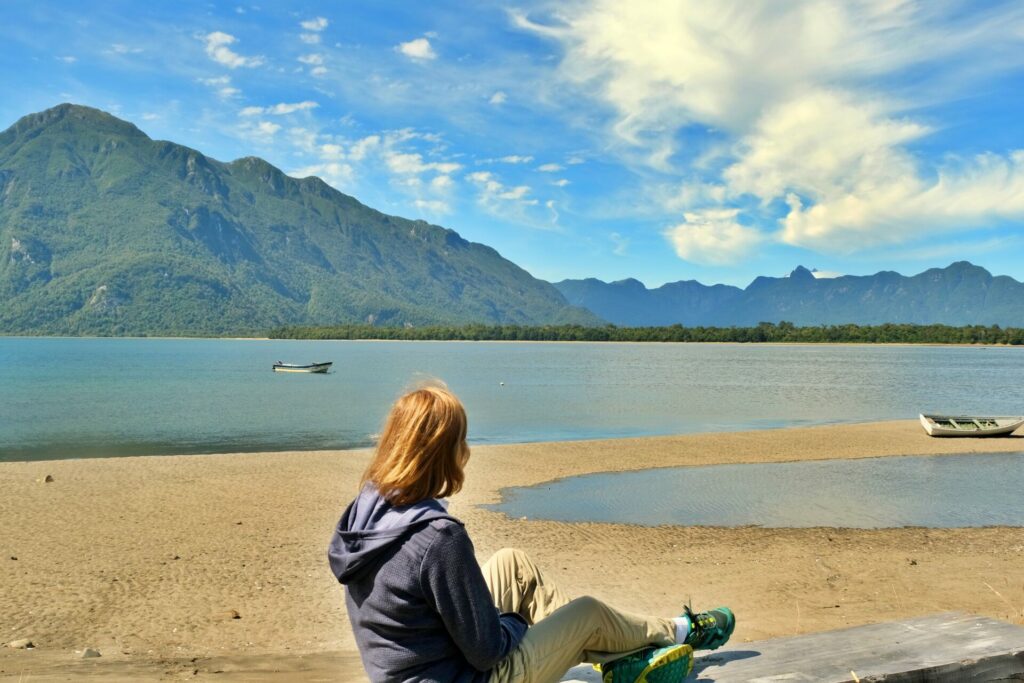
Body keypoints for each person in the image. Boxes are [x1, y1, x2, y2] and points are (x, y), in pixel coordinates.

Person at [328, 383, 734, 683]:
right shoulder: (437, 538)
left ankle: (620, 655)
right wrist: (516, 623)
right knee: (588, 612)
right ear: (442, 452)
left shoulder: (367, 512)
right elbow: (486, 653)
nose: (466, 452)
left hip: (410, 670)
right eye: (460, 442)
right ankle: (682, 630)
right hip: (465, 678)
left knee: (512, 563)